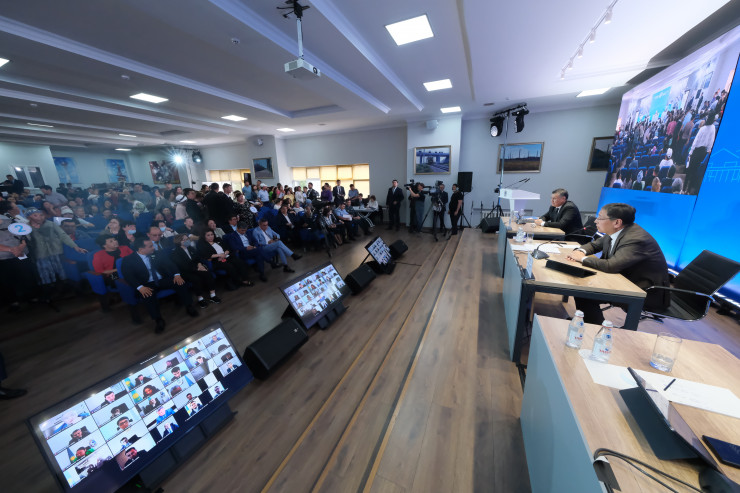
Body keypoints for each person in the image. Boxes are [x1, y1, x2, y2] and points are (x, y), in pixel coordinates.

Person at [566, 203, 670, 324]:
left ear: (617, 222)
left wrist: (582, 258)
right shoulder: (617, 232)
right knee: (582, 287)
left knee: (585, 292)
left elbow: (611, 266)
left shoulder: (636, 239)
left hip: (646, 291)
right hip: (625, 279)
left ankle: (595, 328)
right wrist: (580, 251)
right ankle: (588, 322)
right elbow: (594, 245)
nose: (595, 221)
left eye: (600, 218)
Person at [120, 237, 198, 333]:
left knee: (181, 283)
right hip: (146, 283)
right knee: (148, 295)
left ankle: (189, 306)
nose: (154, 247)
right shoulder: (128, 260)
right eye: (150, 246)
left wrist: (177, 274)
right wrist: (140, 287)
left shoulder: (157, 253)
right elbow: (128, 276)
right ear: (141, 249)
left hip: (162, 279)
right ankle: (158, 320)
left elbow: (170, 264)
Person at [171, 234, 222, 307]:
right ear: (179, 242)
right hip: (185, 271)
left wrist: (199, 264)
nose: (187, 241)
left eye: (187, 239)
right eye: (184, 240)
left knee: (207, 273)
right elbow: (183, 266)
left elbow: (197, 258)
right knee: (196, 279)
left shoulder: (190, 248)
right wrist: (197, 268)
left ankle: (213, 295)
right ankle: (200, 299)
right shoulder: (175, 252)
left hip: (196, 267)